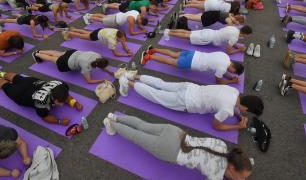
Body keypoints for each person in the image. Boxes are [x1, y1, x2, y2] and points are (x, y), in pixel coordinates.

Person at [102, 113, 253, 180]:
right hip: (170, 150)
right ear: (232, 168)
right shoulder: (216, 176)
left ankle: (114, 117)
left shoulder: (222, 144)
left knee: (142, 125)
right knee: (135, 137)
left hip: (176, 133)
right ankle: (111, 124)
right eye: (242, 178)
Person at [118, 73, 263, 131]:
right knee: (156, 95)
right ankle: (127, 82)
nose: (244, 112)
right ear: (245, 107)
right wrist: (237, 126)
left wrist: (238, 116)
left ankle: (134, 76)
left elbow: (233, 104)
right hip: (186, 101)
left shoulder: (234, 91)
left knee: (162, 84)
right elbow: (216, 126)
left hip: (190, 87)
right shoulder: (227, 110)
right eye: (246, 111)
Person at [0, 70, 83, 125]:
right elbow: (45, 117)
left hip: (31, 82)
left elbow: (65, 95)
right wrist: (60, 121)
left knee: (17, 78)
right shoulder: (42, 104)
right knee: (6, 86)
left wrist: (75, 102)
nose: (62, 105)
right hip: (21, 95)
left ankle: (0, 72)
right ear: (54, 99)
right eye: (60, 102)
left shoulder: (61, 85)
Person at [141, 47, 244, 84]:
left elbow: (223, 69)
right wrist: (232, 81)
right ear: (234, 69)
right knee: (170, 61)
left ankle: (154, 50)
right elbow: (219, 81)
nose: (230, 72)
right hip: (191, 62)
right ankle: (148, 57)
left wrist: (230, 76)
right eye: (232, 72)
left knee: (173, 54)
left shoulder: (225, 56)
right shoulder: (222, 68)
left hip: (194, 53)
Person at [32, 49, 113, 84]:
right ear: (98, 66)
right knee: (52, 58)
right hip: (67, 62)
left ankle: (39, 51)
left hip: (73, 53)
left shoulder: (98, 56)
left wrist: (110, 72)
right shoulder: (87, 66)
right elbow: (89, 81)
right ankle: (36, 54)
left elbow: (102, 65)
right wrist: (103, 80)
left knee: (56, 53)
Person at [162, 25, 252, 54]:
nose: (246, 37)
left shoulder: (234, 28)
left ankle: (169, 30)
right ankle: (169, 33)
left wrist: (236, 45)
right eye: (247, 35)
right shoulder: (235, 37)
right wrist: (239, 49)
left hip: (210, 32)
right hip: (207, 38)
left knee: (187, 33)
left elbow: (231, 41)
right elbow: (228, 51)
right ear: (245, 34)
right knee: (186, 36)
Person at [62, 28, 132, 57]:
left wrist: (128, 49)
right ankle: (69, 33)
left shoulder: (118, 32)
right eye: (122, 39)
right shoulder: (112, 41)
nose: (123, 41)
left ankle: (74, 29)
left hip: (100, 30)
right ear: (118, 38)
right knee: (83, 36)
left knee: (88, 33)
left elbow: (123, 43)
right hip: (97, 35)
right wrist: (126, 55)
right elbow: (115, 54)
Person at [83, 10, 149, 36]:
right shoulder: (131, 19)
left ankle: (90, 15)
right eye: (140, 23)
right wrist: (142, 32)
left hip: (118, 15)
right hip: (115, 21)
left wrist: (142, 27)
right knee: (101, 20)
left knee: (104, 16)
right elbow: (131, 33)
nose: (139, 24)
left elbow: (138, 23)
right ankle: (88, 17)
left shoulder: (137, 13)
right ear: (140, 21)